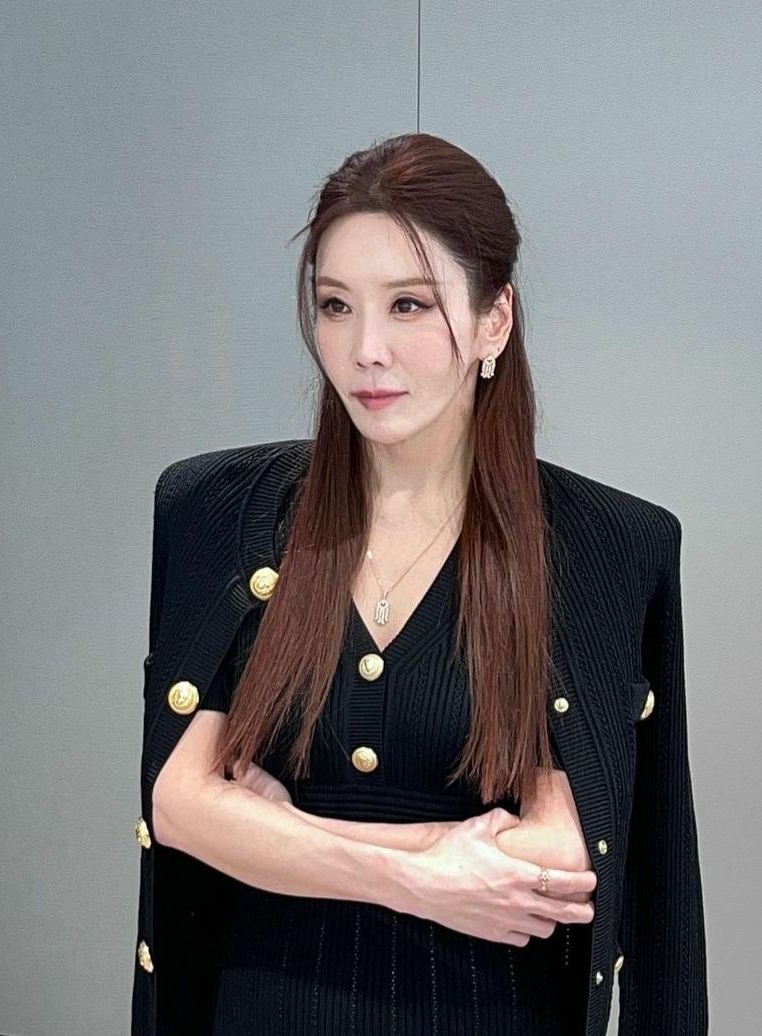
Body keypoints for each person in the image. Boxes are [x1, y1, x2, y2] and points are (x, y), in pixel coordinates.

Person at [131, 133, 708, 1035]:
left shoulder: (605, 544)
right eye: (335, 305)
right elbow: (176, 804)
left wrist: (282, 834)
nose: (365, 350)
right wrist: (428, 869)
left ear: (494, 319)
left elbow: (562, 858)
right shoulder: (219, 507)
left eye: (409, 304)